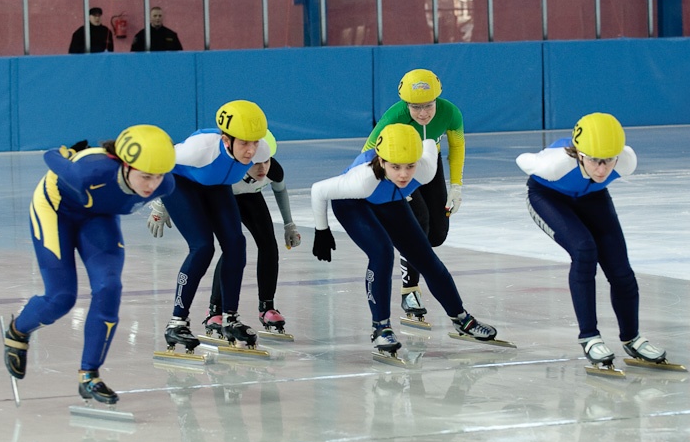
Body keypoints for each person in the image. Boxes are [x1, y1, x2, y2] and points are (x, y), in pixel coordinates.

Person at [3, 125, 176, 404]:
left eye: (158, 176)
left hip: (99, 216)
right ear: (125, 164)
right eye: (145, 176)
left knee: (109, 287)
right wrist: (67, 154)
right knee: (61, 297)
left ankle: (89, 376)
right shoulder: (89, 172)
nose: (151, 186)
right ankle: (18, 330)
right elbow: (50, 156)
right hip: (55, 208)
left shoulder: (165, 184)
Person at [310, 123, 497, 356]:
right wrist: (321, 230)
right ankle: (380, 328)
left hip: (389, 199)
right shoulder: (362, 179)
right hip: (352, 203)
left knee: (425, 257)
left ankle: (461, 319)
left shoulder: (425, 168)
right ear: (381, 161)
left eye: (410, 166)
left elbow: (429, 142)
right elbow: (318, 190)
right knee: (382, 252)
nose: (404, 174)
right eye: (395, 166)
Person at [515, 112, 666, 367]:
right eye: (595, 161)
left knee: (621, 270)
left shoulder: (626, 161)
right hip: (548, 196)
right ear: (579, 154)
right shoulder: (553, 164)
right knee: (584, 250)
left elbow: (608, 166)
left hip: (592, 197)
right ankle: (589, 337)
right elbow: (522, 159)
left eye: (609, 161)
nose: (602, 169)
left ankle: (632, 337)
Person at [147, 100, 270, 352]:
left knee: (236, 244)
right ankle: (176, 322)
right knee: (202, 247)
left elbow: (273, 173)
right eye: (244, 143)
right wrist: (161, 205)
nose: (251, 151)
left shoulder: (260, 149)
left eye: (255, 142)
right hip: (181, 183)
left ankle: (229, 319)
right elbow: (160, 162)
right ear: (226, 140)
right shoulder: (199, 149)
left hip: (216, 187)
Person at [362, 68, 465, 324]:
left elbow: (457, 146)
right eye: (415, 107)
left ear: (437, 101)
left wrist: (457, 185)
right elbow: (367, 151)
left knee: (437, 234)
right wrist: (375, 184)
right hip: (399, 168)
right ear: (405, 104)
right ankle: (409, 291)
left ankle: (410, 258)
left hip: (429, 163)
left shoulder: (450, 112)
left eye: (428, 106)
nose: (423, 113)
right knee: (418, 220)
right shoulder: (395, 115)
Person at [206, 130, 300, 335]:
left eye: (266, 161)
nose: (262, 169)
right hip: (224, 197)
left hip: (251, 197)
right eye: (256, 163)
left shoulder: (273, 169)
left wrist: (289, 225)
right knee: (232, 248)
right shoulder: (225, 170)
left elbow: (280, 190)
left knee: (269, 245)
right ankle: (215, 310)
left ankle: (267, 306)